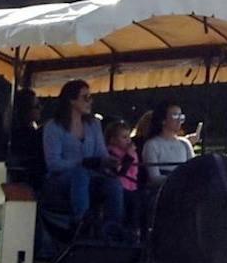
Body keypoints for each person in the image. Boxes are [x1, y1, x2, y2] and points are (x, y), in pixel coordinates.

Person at [43, 81, 122, 237]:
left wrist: (110, 162)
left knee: (113, 183)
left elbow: (101, 153)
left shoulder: (94, 125)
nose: (90, 101)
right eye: (85, 97)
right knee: (80, 174)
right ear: (71, 100)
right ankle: (81, 225)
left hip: (90, 177)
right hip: (60, 181)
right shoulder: (53, 127)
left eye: (90, 97)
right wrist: (81, 163)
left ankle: (113, 229)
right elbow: (53, 164)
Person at [140, 100, 197, 202]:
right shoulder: (152, 145)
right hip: (162, 192)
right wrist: (177, 180)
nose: (179, 120)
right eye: (175, 116)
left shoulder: (185, 143)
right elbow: (154, 177)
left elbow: (192, 169)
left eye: (181, 117)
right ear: (163, 120)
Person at [104, 117, 143, 239]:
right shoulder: (111, 154)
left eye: (128, 137)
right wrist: (129, 155)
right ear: (113, 140)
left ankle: (135, 231)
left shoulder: (129, 151)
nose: (128, 141)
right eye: (124, 137)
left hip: (133, 186)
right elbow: (120, 172)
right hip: (121, 187)